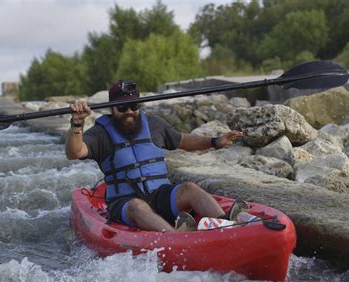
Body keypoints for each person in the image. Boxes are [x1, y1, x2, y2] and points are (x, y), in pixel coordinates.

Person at [66, 80, 246, 232]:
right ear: (112, 108)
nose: (129, 111)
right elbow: (74, 152)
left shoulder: (154, 125)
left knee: (189, 188)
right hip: (124, 203)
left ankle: (227, 225)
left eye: (134, 105)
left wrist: (215, 141)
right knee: (138, 206)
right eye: (122, 106)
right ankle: (176, 240)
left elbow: (182, 140)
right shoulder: (100, 133)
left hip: (159, 195)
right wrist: (77, 123)